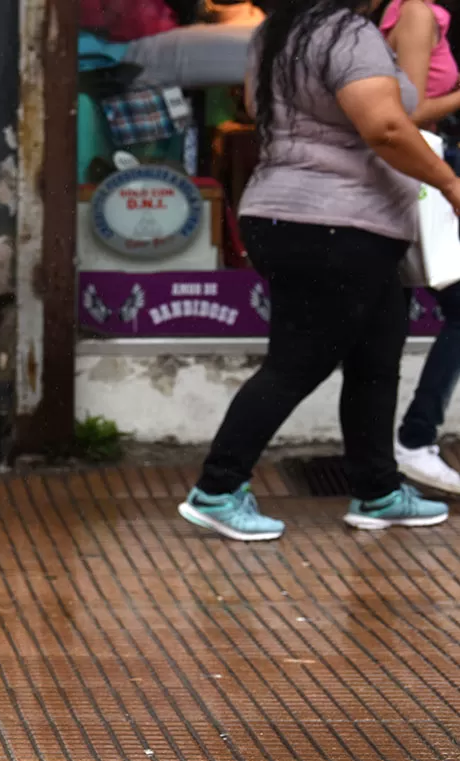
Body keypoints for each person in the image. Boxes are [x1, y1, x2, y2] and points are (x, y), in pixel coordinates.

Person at [178, 0, 460, 541]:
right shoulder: (347, 33)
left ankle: (378, 491)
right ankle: (218, 487)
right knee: (297, 362)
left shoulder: (278, 32)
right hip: (333, 220)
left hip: (302, 213)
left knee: (377, 353)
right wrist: (449, 183)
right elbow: (386, 128)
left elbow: (262, 106)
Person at [383, 0, 460, 492]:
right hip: (416, 170)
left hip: (415, 170)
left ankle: (383, 464)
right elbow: (406, 111)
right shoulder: (415, 11)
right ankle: (413, 440)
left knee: (383, 319)